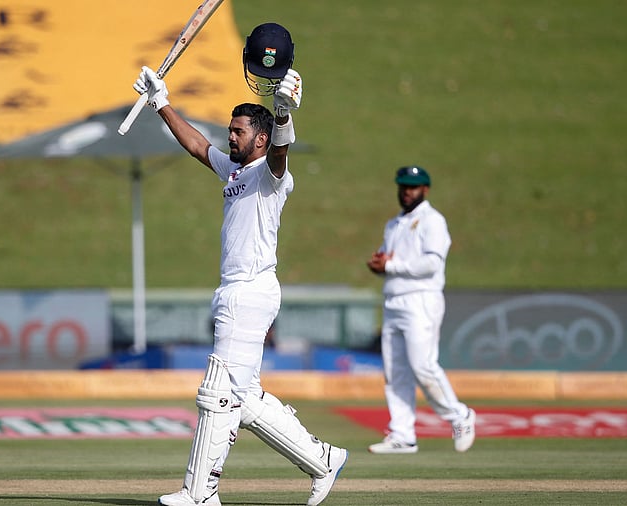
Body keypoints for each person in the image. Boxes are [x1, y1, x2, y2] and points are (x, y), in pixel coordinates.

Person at [132, 22, 347, 506]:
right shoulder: (234, 170)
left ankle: (200, 492)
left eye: (238, 131)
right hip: (234, 289)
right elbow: (194, 145)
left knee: (217, 392)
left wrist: (285, 113)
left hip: (251, 292)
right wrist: (160, 100)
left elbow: (282, 154)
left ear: (262, 138)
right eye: (230, 129)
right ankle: (324, 458)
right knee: (244, 399)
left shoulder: (273, 177)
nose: (230, 137)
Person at [365, 165, 476, 454]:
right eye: (402, 186)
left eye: (412, 187)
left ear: (425, 189)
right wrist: (380, 265)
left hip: (421, 300)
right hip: (393, 301)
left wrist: (390, 265)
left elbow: (431, 264)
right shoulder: (394, 224)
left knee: (423, 366)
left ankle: (459, 415)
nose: (406, 192)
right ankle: (403, 435)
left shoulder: (432, 221)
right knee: (395, 371)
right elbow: (390, 260)